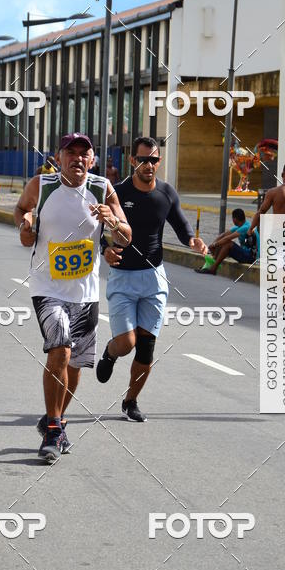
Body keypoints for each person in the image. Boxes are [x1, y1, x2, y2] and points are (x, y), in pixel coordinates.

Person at [15, 132, 131, 461]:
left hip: (86, 292)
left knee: (77, 364)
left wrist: (113, 224)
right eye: (71, 153)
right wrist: (24, 224)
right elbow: (22, 211)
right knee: (60, 352)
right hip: (47, 286)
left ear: (92, 160)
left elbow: (125, 236)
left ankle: (56, 420)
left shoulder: (102, 188)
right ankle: (53, 429)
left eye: (85, 153)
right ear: (59, 157)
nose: (78, 158)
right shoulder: (41, 185)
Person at [96, 136, 199, 422]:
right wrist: (105, 250)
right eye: (143, 160)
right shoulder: (116, 193)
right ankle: (110, 352)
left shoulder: (166, 193)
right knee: (127, 342)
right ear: (133, 161)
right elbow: (95, 231)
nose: (149, 165)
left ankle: (130, 401)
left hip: (154, 278)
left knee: (146, 346)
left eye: (153, 160)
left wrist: (193, 240)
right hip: (122, 277)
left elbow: (181, 225)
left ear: (158, 161)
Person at [201, 208, 259, 274]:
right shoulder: (240, 226)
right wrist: (213, 244)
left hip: (251, 258)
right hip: (245, 254)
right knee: (222, 242)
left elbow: (228, 238)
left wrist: (214, 245)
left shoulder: (246, 227)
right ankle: (210, 265)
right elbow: (224, 235)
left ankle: (213, 268)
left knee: (228, 244)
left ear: (235, 219)